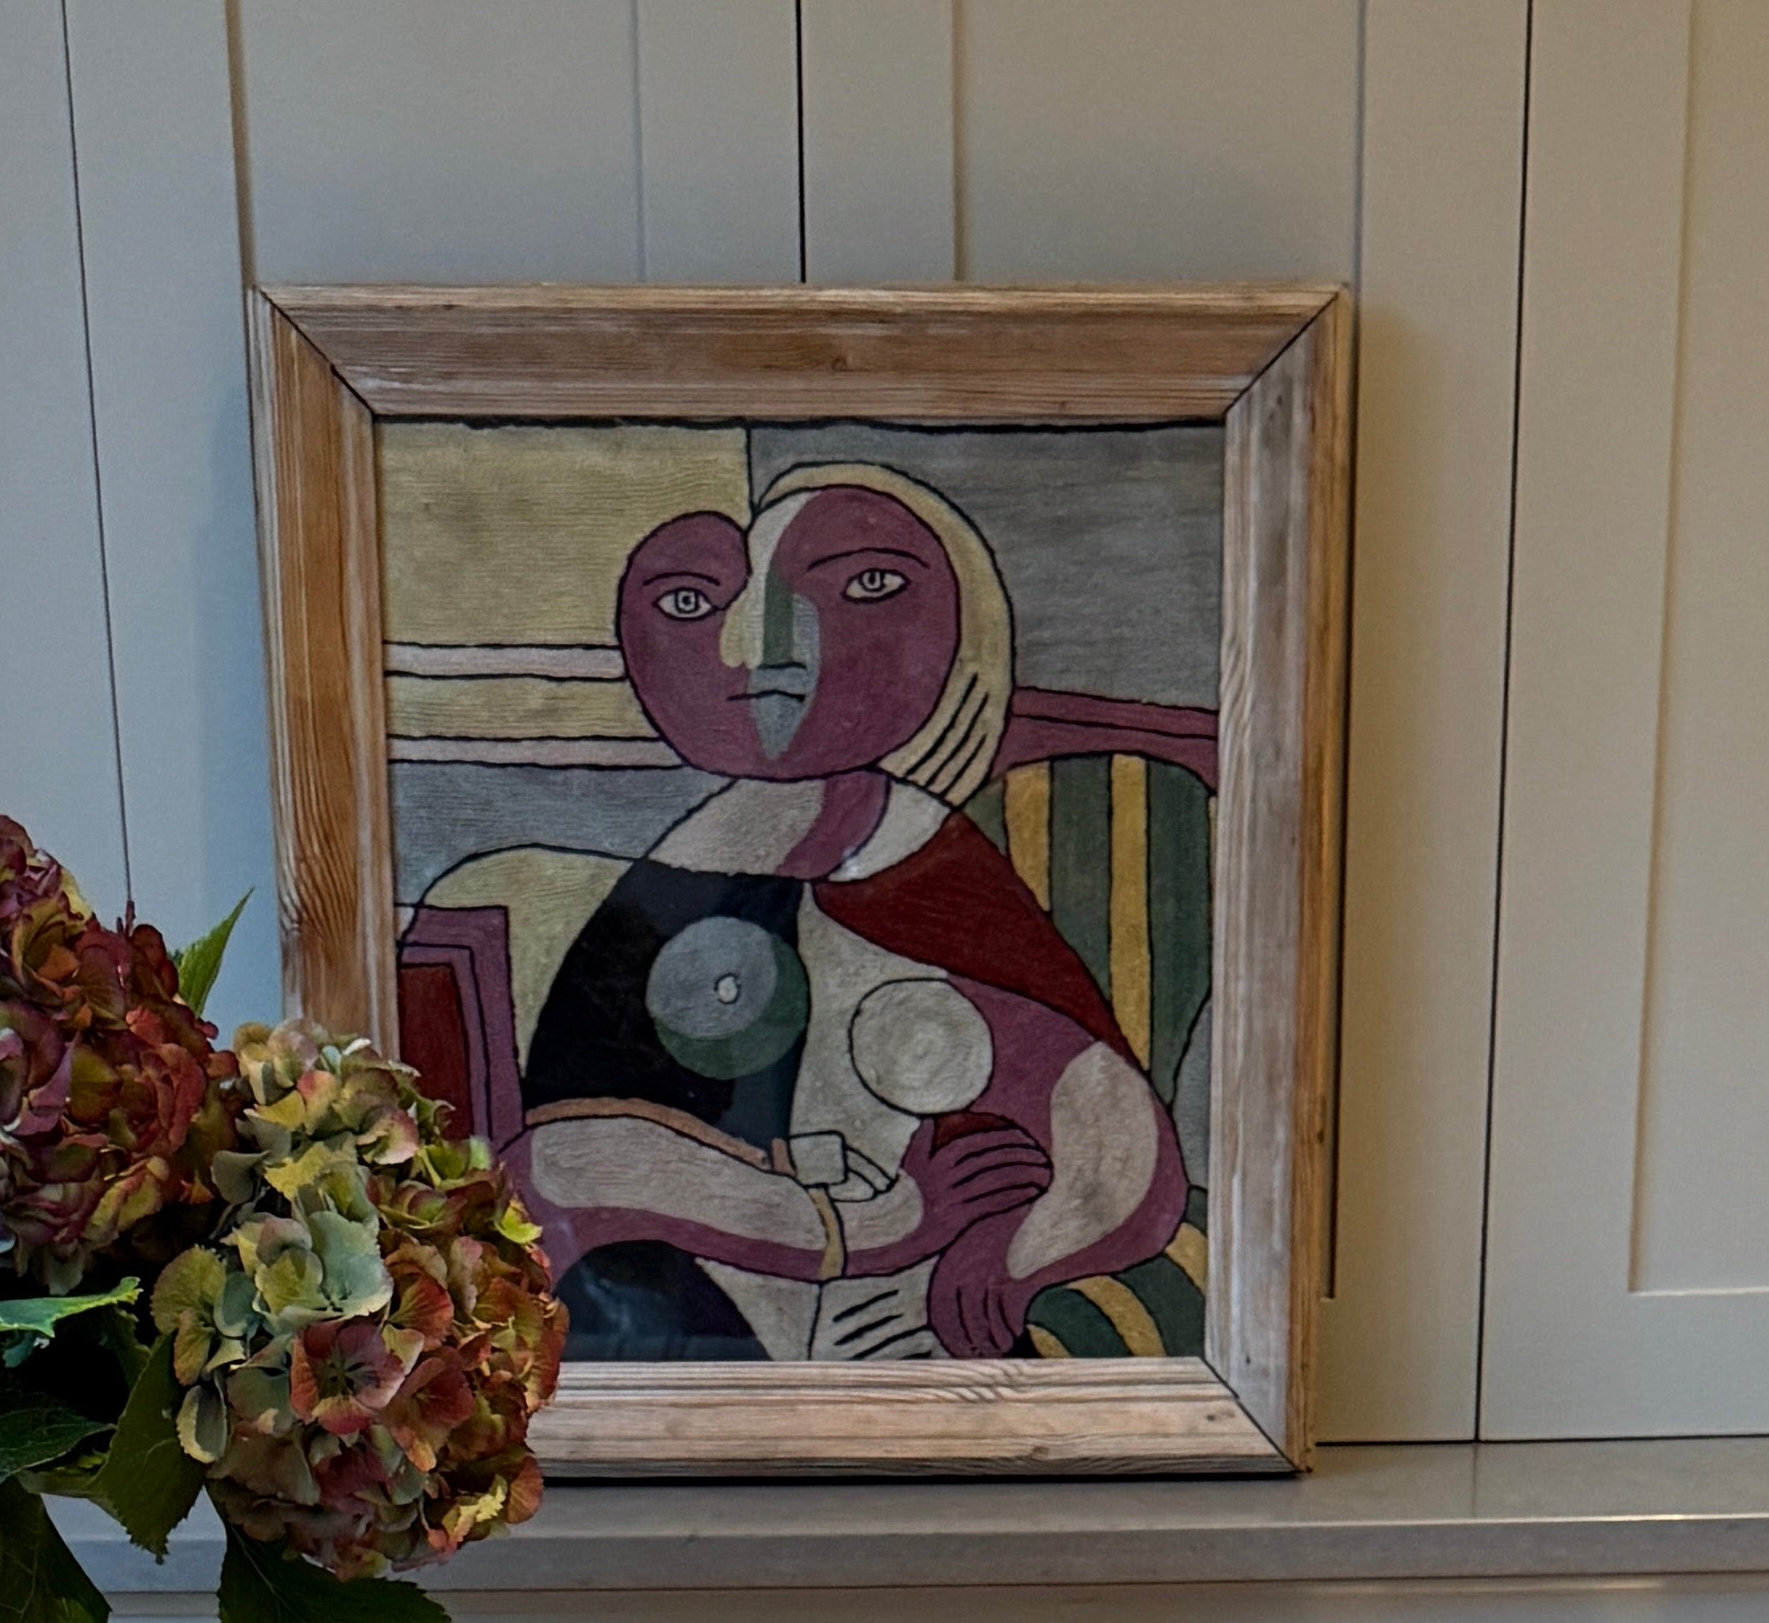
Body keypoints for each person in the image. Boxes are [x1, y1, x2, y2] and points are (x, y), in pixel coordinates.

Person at [399, 468, 1190, 1365]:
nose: (759, 649)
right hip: (672, 1337)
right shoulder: (662, 887)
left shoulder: (934, 872)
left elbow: (1109, 1130)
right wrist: (865, 1223)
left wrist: (1015, 1255)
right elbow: (561, 1167)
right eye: (692, 601)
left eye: (868, 587)